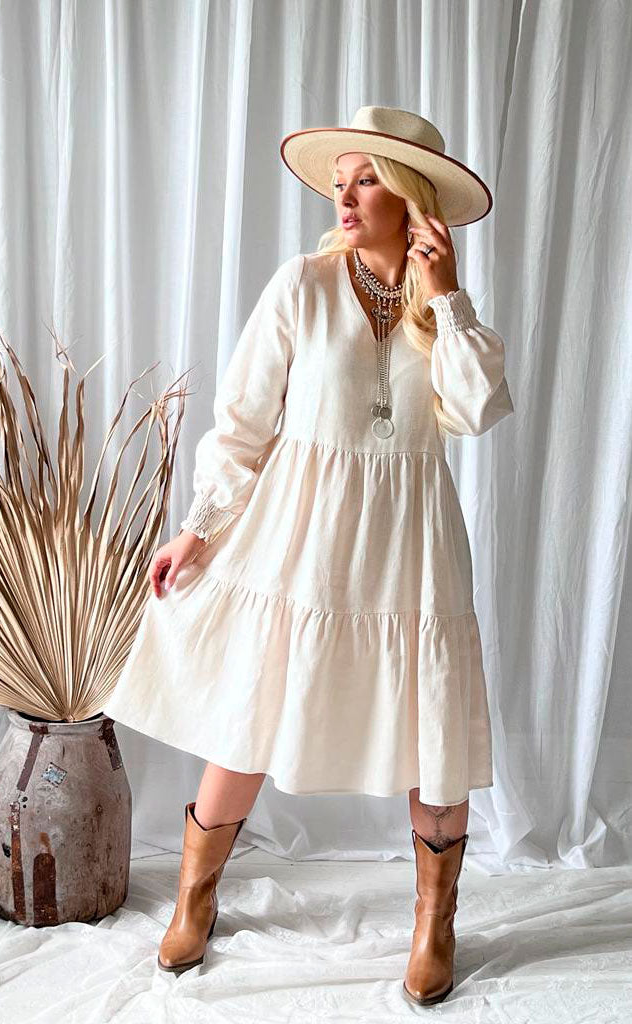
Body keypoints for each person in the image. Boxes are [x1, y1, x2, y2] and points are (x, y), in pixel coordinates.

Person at [102, 105, 514, 1005]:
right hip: (303, 531)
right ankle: (197, 894)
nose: (346, 197)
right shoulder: (303, 284)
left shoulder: (442, 307)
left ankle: (435, 921)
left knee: (433, 726)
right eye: (340, 181)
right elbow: (243, 423)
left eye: (367, 180)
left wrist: (446, 296)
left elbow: (479, 409)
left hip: (411, 538)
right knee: (254, 707)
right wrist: (200, 526)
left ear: (411, 197)